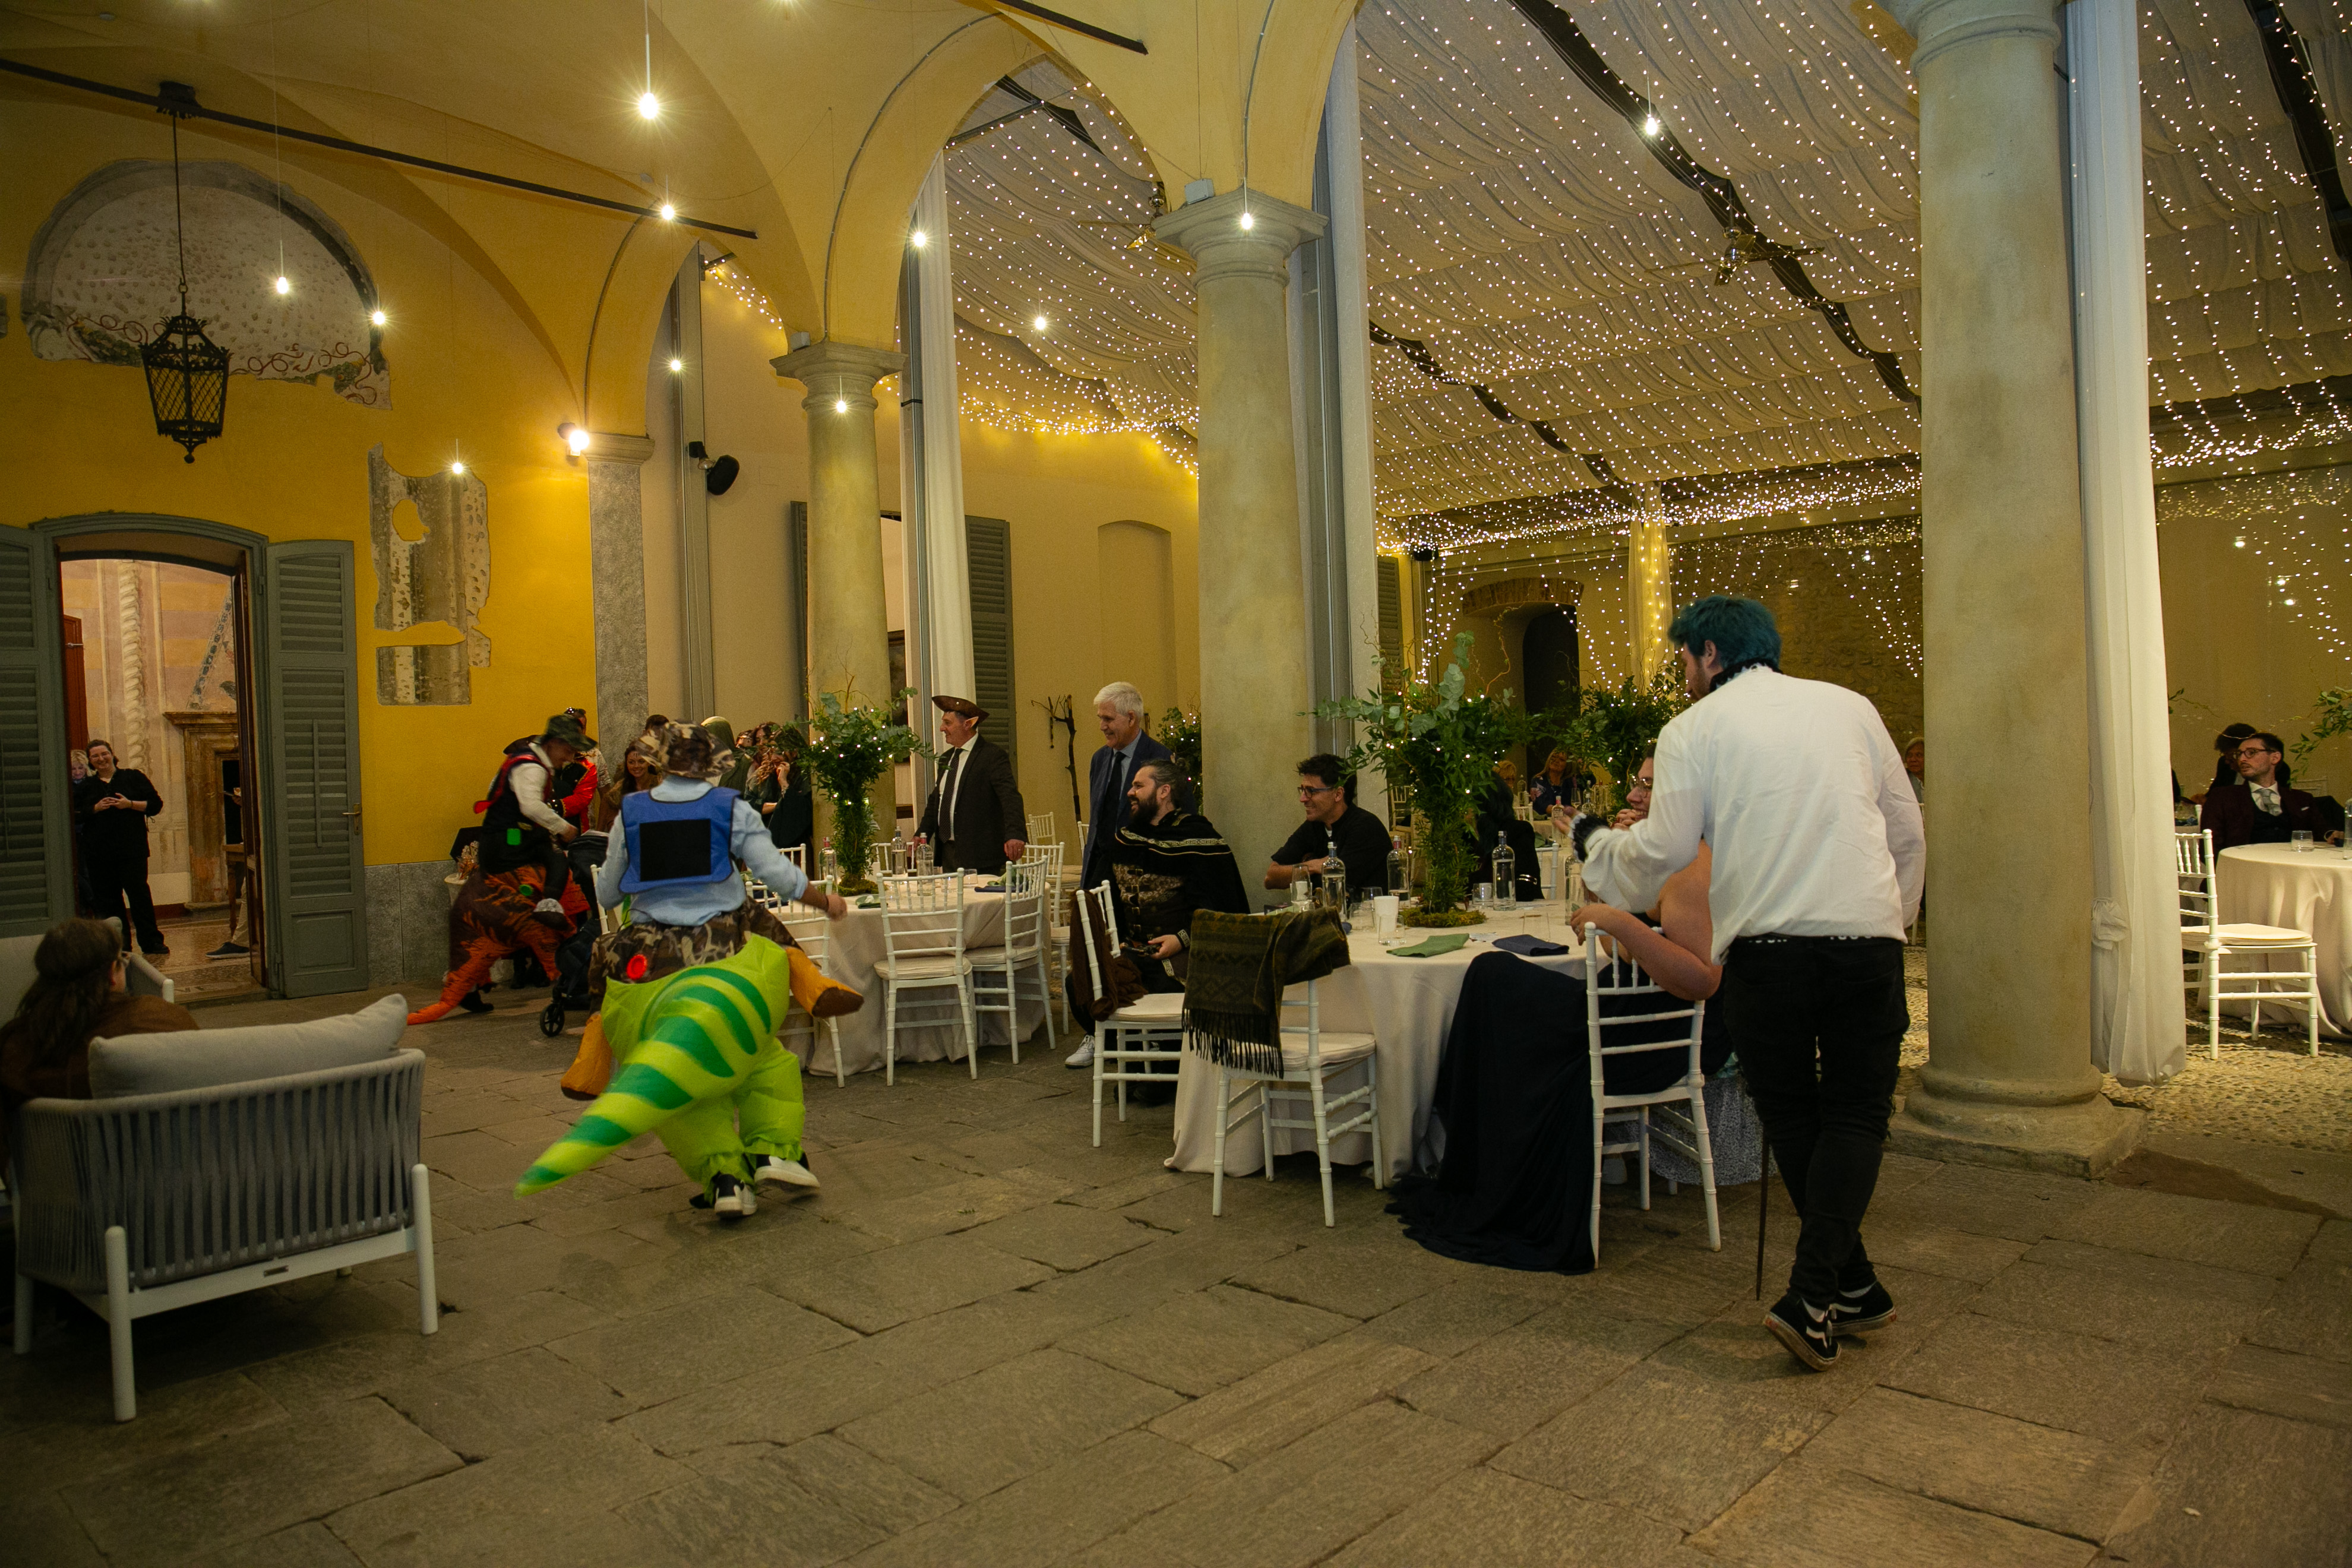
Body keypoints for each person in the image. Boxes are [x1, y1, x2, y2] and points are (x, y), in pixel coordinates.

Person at [1570, 594, 1923, 1373]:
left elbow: (1662, 852)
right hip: (1866, 944)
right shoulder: (1852, 707)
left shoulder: (1693, 729)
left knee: (1793, 1115)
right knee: (1857, 1114)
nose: (1683, 674)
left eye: (1684, 658)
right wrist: (1889, 920)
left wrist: (1592, 841)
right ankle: (1851, 1284)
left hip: (1768, 953)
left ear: (1710, 654)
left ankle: (1812, 1295)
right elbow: (1905, 829)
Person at [1388, 846, 1727, 1272]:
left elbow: (1702, 980)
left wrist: (1618, 920)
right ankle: (1477, 1157)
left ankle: (1479, 1160)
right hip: (1627, 1013)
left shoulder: (1692, 870)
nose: (1639, 807)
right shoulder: (1669, 858)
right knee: (1491, 978)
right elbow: (1630, 953)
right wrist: (1606, 897)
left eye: (1650, 802)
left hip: (1647, 1035)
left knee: (1492, 977)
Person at [592, 720, 861, 1217]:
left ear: (661, 764)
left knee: (669, 1069)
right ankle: (774, 1149)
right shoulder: (730, 808)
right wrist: (825, 901)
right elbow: (776, 874)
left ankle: (723, 1177)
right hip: (726, 952)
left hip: (653, 960)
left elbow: (608, 892)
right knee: (764, 1055)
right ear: (710, 767)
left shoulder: (631, 812)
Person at [408, 713, 595, 1025]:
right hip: (509, 846)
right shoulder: (531, 768)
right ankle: (551, 919)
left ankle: (471, 986)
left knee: (553, 861)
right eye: (569, 748)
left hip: (513, 839)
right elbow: (530, 807)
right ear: (553, 743)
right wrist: (563, 828)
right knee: (551, 874)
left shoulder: (524, 761)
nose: (571, 755)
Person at [1064, 758, 1251, 1069]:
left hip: (1187, 953)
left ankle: (1167, 1068)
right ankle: (1132, 1058)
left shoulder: (1198, 838)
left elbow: (1221, 906)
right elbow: (1100, 894)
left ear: (1164, 792)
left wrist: (1181, 939)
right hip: (1133, 951)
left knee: (1164, 987)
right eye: (1132, 786)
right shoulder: (1126, 838)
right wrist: (1113, 938)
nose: (1131, 792)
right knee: (1081, 983)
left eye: (1139, 786)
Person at [1, 917, 198, 1171]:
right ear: (111, 974)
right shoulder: (163, 1020)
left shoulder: (15, 1048)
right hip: (162, 1176)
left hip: (58, 1186)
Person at [72, 739, 169, 958]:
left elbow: (156, 805)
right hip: (99, 854)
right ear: (90, 761)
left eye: (104, 754)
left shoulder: (133, 777)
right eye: (95, 756)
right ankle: (119, 945)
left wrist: (130, 804)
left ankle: (152, 942)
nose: (101, 759)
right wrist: (95, 808)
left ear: (112, 754)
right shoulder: (87, 786)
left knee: (139, 896)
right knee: (108, 901)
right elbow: (74, 814)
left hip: (132, 850)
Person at [918, 695, 1028, 874]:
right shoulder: (946, 758)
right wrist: (922, 833)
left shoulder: (992, 756)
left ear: (968, 724)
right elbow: (937, 800)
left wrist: (1015, 834)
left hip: (980, 853)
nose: (942, 728)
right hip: (948, 850)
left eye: (948, 723)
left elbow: (1010, 797)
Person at [1080, 682, 1172, 892]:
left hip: (1140, 875)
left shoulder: (1160, 759)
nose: (1102, 726)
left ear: (1131, 718)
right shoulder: (1099, 759)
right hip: (1099, 872)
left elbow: (1173, 822)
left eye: (1108, 719)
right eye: (1100, 718)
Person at [1266, 753, 1391, 897]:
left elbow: (1337, 885)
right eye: (1302, 790)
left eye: (1311, 791)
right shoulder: (1314, 826)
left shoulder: (1366, 827)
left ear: (1338, 794)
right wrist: (1312, 866)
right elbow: (1271, 878)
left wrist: (1300, 870)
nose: (1303, 799)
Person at [2201, 730, 2340, 851]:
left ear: (2275, 758)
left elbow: (2323, 832)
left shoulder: (2301, 799)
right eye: (2239, 754)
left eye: (2251, 753)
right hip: (2245, 869)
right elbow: (2209, 847)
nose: (2242, 759)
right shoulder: (2222, 798)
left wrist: (2332, 835)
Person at [1528, 749, 1585, 817]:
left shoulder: (1570, 781)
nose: (1556, 761)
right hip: (1544, 821)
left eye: (1561, 760)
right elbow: (1543, 805)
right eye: (1553, 757)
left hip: (1568, 820)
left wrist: (1584, 767)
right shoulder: (1538, 781)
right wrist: (1569, 812)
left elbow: (1589, 784)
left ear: (1568, 765)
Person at [1902, 736, 1925, 802]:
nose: (1913, 759)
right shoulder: (1904, 782)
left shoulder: (1938, 782)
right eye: (1910, 755)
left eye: (1919, 755)